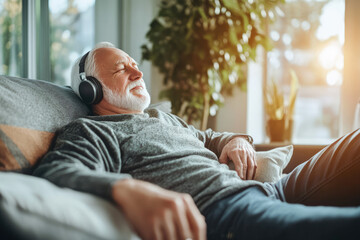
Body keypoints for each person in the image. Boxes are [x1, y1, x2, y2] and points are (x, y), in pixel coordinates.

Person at [33, 42, 360, 240]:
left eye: (136, 66)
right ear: (91, 89)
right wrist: (125, 188)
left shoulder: (163, 118)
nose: (138, 73)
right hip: (227, 211)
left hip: (275, 188)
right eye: (121, 69)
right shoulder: (92, 131)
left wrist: (236, 141)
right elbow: (56, 169)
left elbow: (211, 138)